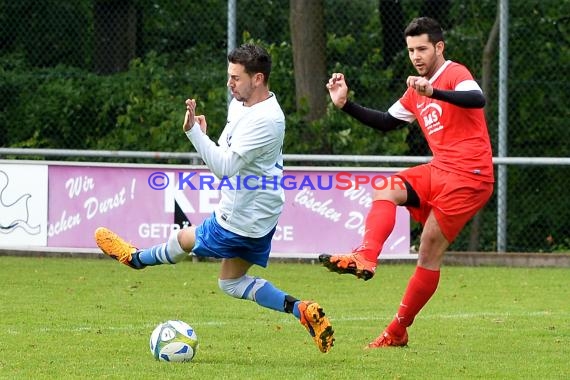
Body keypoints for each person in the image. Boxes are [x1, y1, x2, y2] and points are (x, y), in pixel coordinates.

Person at [95, 43, 334, 353]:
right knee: (231, 282)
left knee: (184, 238)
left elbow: (223, 166)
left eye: (236, 78)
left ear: (258, 78)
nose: (229, 83)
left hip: (241, 217)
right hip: (261, 215)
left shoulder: (267, 119)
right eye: (229, 76)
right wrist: (206, 136)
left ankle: (136, 259)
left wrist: (194, 132)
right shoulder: (242, 104)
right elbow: (228, 146)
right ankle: (300, 309)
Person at [320, 17, 494, 348]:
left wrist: (435, 91)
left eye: (423, 49)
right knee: (386, 187)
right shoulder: (415, 90)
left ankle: (397, 330)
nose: (416, 56)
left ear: (439, 47)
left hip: (471, 177)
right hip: (441, 168)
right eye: (411, 50)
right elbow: (387, 122)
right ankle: (366, 257)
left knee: (428, 249)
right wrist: (345, 105)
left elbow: (477, 99)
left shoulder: (455, 74)